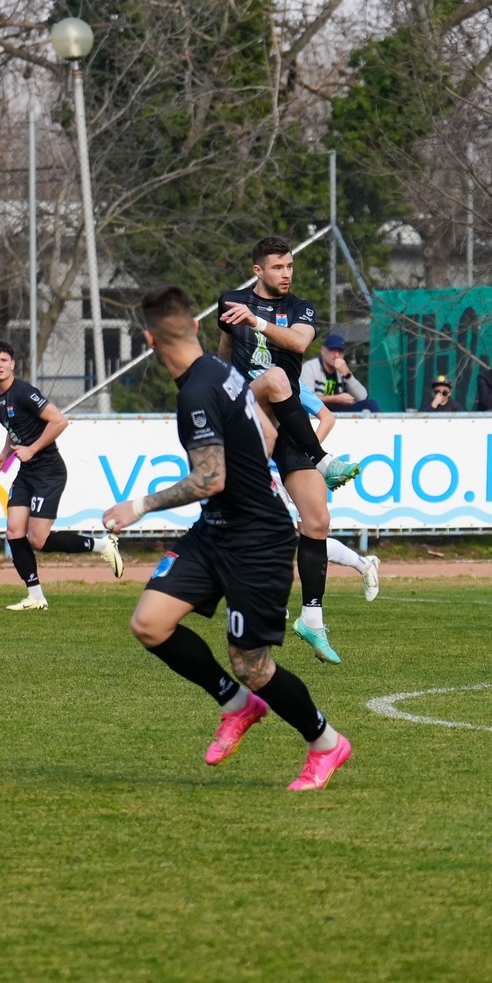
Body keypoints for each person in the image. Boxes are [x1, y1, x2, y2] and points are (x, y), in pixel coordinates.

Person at [104, 285, 352, 791]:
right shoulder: (223, 373)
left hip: (258, 539)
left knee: (252, 665)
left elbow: (209, 478)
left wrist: (139, 506)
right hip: (215, 530)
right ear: (196, 326)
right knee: (150, 624)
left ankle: (326, 742)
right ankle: (238, 706)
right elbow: (265, 433)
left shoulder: (197, 392)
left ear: (150, 341)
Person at [0, 340, 123, 610]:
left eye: (4, 360)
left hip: (49, 471)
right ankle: (35, 597)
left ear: (12, 364)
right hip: (26, 473)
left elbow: (60, 420)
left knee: (38, 540)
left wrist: (33, 449)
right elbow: (13, 430)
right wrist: (4, 455)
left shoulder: (24, 392)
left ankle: (103, 545)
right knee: (14, 531)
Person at [216, 235, 359, 491]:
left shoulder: (300, 308)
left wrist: (257, 322)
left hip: (288, 416)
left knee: (316, 512)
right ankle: (322, 461)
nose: (286, 274)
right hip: (247, 404)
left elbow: (300, 343)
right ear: (258, 271)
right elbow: (227, 343)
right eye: (277, 267)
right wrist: (219, 391)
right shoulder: (232, 301)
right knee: (275, 376)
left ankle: (284, 478)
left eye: (290, 266)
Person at [272, 381, 381, 662]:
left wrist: (308, 455)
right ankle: (363, 565)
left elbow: (327, 417)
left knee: (310, 532)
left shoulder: (286, 381)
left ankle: (363, 565)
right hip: (266, 470)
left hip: (295, 468)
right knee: (288, 536)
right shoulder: (245, 375)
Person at [300, 333, 381, 413]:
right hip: (317, 411)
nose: (336, 355)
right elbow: (306, 398)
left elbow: (363, 397)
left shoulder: (342, 370)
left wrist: (347, 374)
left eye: (340, 352)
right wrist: (336, 399)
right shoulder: (310, 367)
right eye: (332, 350)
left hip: (339, 411)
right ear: (323, 351)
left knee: (371, 404)